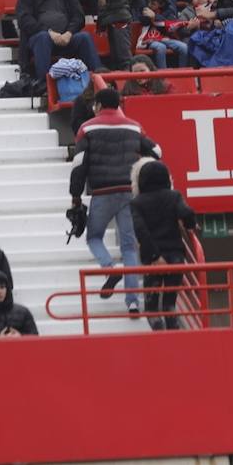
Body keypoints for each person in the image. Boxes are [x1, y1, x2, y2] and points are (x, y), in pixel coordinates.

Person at [71, 88, 160, 314]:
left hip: (102, 192)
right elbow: (157, 152)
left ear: (99, 105)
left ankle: (109, 268)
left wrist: (75, 196)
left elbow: (79, 164)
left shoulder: (87, 127)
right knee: (129, 247)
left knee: (93, 237)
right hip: (129, 192)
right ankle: (132, 302)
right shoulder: (133, 126)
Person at [130, 158, 197, 331]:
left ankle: (160, 340)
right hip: (176, 256)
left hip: (153, 260)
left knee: (152, 309)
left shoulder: (137, 203)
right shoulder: (174, 196)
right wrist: (189, 225)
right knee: (169, 305)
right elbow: (187, 212)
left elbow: (141, 231)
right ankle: (175, 339)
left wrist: (155, 256)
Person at [16, 0, 100, 82]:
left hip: (66, 38)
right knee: (43, 38)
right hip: (40, 39)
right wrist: (49, 33)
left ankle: (99, 78)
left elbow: (78, 16)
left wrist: (69, 33)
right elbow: (25, 20)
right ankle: (44, 83)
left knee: (84, 37)